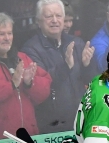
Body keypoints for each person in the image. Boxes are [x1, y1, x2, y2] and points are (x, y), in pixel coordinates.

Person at [0, 12, 52, 141]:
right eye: (1, 34)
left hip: (29, 137)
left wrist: (29, 83)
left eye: (9, 33)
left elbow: (45, 89)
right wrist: (11, 85)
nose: (7, 38)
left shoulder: (22, 58)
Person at [20, 0, 96, 134]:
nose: (55, 20)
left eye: (58, 16)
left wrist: (86, 65)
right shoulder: (30, 49)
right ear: (38, 21)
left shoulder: (76, 43)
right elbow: (42, 86)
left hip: (82, 121)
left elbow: (90, 81)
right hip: (53, 127)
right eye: (49, 16)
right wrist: (65, 66)